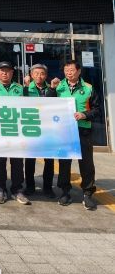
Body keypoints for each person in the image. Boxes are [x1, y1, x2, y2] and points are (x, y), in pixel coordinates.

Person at [47, 60, 99, 210]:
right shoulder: (59, 86)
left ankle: (88, 193)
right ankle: (65, 192)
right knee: (64, 162)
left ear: (79, 71)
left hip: (83, 130)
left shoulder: (88, 88)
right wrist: (52, 88)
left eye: (71, 70)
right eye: (66, 70)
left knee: (86, 163)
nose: (68, 73)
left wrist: (84, 115)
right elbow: (48, 104)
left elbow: (97, 110)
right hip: (63, 130)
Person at [0, 61, 31, 206]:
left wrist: (27, 87)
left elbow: (28, 105)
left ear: (12, 73)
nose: (5, 73)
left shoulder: (19, 88)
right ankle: (0, 189)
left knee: (17, 161)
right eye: (2, 71)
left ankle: (17, 189)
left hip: (16, 130)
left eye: (7, 71)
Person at [23, 64, 56, 198]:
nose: (39, 76)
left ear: (46, 75)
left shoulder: (52, 88)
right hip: (31, 128)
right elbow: (22, 104)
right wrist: (25, 87)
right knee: (30, 159)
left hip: (48, 129)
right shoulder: (26, 89)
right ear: (31, 75)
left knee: (49, 160)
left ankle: (48, 188)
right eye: (36, 73)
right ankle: (30, 186)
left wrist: (52, 88)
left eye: (42, 73)